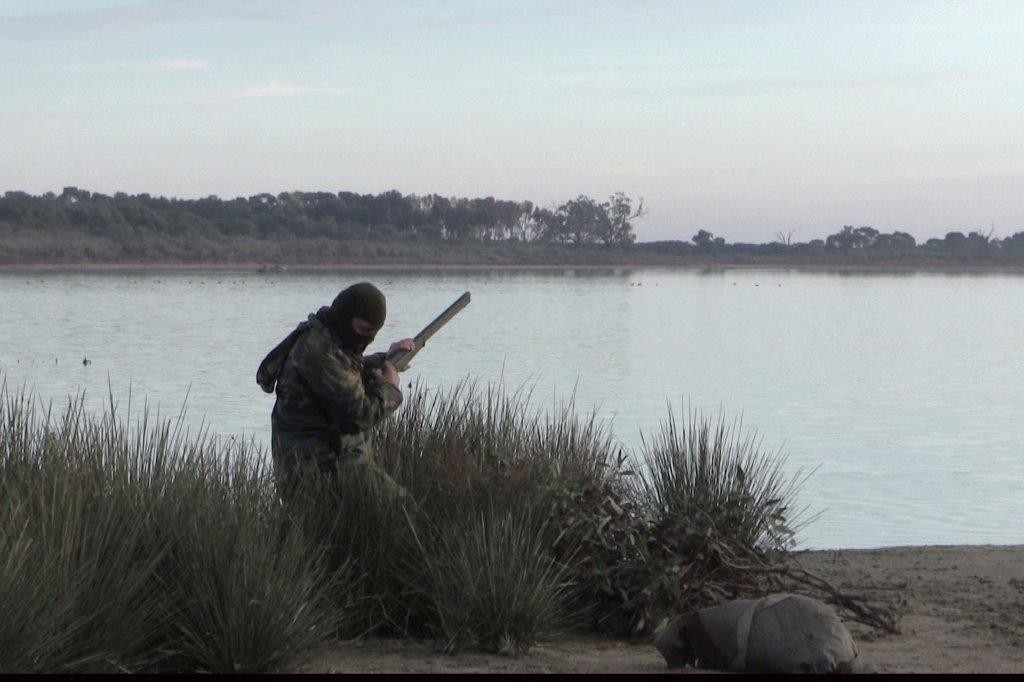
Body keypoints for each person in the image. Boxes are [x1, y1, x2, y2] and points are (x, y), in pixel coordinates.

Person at [256, 282, 415, 501]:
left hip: (324, 464)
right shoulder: (318, 352)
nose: (367, 339)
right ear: (345, 317)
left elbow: (345, 370)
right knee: (403, 507)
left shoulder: (325, 334)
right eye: (363, 330)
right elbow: (360, 416)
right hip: (315, 474)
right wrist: (389, 388)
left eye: (373, 333)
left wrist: (386, 360)